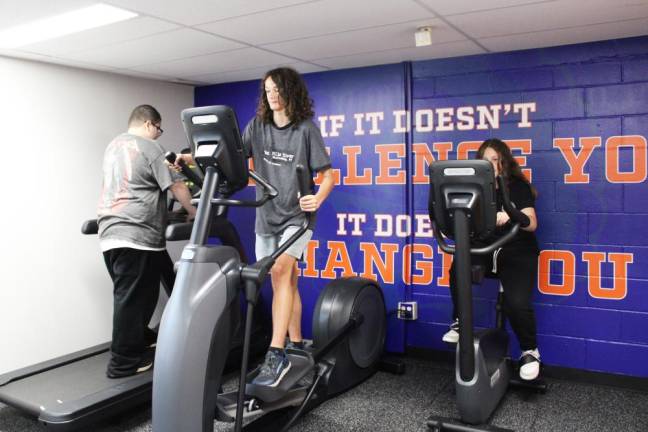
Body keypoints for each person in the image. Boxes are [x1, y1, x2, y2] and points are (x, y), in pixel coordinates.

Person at [242, 67, 335, 386]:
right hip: (265, 217)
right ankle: (296, 343)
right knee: (286, 280)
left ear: (291, 92)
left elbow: (328, 176)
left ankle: (276, 352)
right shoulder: (256, 126)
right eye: (268, 90)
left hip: (297, 218)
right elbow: (234, 158)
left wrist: (317, 198)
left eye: (278, 89)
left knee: (281, 272)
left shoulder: (306, 129)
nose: (272, 95)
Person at [97, 104, 196, 378]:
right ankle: (123, 363)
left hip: (111, 234)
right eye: (159, 128)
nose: (158, 134)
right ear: (151, 124)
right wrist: (193, 211)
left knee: (142, 290)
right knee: (133, 299)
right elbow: (176, 186)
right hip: (137, 233)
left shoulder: (114, 146)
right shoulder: (151, 147)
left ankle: (142, 338)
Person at [442, 138, 541, 381]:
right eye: (486, 160)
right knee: (459, 268)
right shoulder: (473, 189)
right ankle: (459, 322)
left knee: (517, 303)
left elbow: (532, 223)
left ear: (505, 163)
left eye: (496, 160)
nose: (492, 164)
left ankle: (530, 351)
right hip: (486, 248)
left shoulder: (517, 186)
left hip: (516, 250)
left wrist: (508, 214)